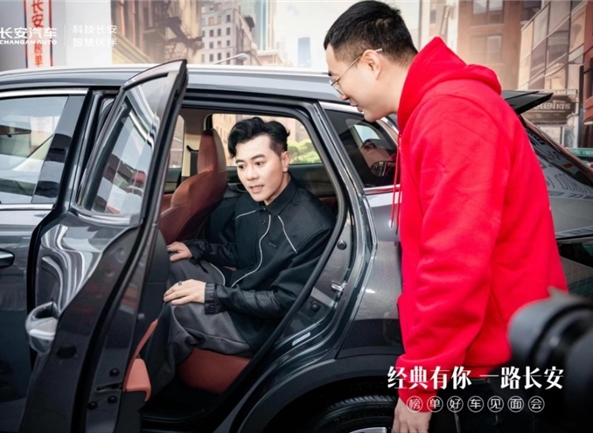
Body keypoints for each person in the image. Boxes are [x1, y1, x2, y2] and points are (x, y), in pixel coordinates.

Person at [324, 2, 567, 432]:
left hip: (495, 369)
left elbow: (456, 262)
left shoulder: (451, 113)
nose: (340, 92)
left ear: (371, 63)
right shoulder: (438, 109)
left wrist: (419, 385)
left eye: (336, 78)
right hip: (491, 356)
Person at [145, 117, 334, 394]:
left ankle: (142, 394)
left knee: (176, 311)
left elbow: (283, 303)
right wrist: (197, 248)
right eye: (242, 165)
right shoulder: (249, 201)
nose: (250, 176)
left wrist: (212, 293)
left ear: (284, 160)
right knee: (172, 265)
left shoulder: (313, 227)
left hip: (258, 325)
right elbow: (239, 251)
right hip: (238, 288)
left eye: (259, 163)